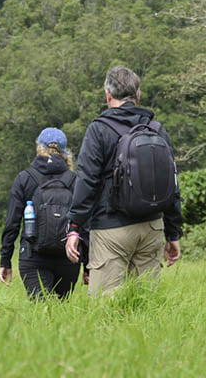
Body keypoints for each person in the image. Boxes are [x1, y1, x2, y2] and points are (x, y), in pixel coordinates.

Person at [65, 66, 182, 296]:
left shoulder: (98, 130)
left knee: (105, 307)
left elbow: (87, 182)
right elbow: (172, 185)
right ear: (138, 96)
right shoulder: (157, 130)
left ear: (108, 95)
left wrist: (75, 228)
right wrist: (173, 233)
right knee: (145, 304)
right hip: (151, 228)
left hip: (111, 229)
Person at [0, 127, 84, 300]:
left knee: (40, 311)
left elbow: (12, 223)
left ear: (39, 148)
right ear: (65, 151)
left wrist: (5, 260)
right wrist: (88, 265)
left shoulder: (24, 178)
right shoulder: (75, 181)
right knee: (62, 312)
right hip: (68, 257)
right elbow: (85, 223)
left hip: (32, 256)